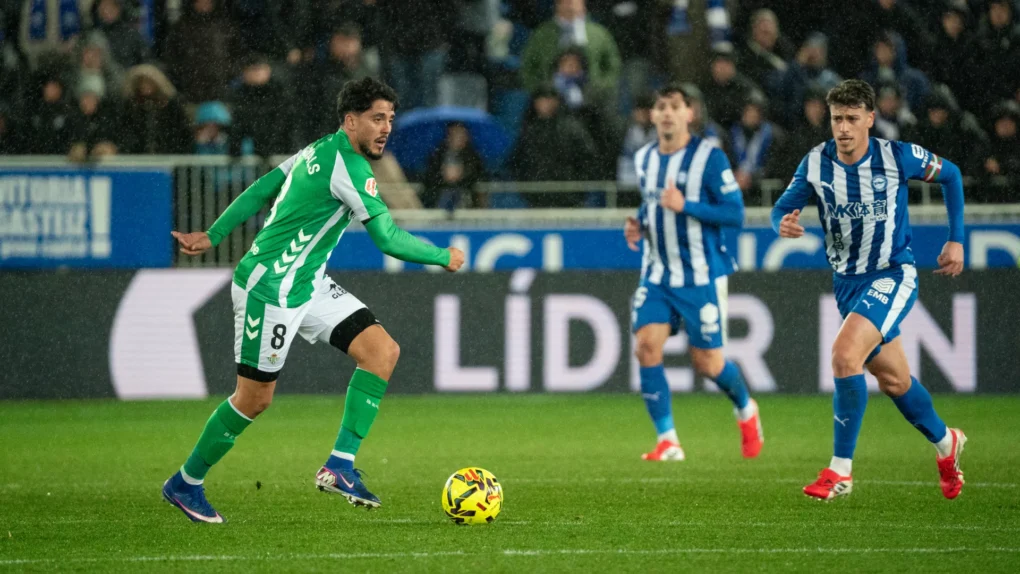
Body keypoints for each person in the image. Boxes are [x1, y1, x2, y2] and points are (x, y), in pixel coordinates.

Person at [162, 77, 466, 522]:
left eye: (390, 120)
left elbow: (265, 187)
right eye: (376, 119)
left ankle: (339, 466)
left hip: (307, 282)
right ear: (351, 121)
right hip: (270, 288)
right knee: (253, 399)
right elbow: (387, 238)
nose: (386, 129)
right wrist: (444, 256)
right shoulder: (350, 168)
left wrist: (214, 234)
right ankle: (185, 483)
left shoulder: (319, 149)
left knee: (381, 351)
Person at [771, 80, 966, 501]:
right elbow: (779, 208)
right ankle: (947, 443)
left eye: (851, 119)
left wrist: (956, 239)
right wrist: (781, 223)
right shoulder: (815, 164)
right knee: (895, 382)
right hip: (846, 283)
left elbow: (950, 175)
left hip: (892, 273)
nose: (842, 128)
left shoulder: (897, 156)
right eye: (837, 118)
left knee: (844, 357)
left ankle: (840, 471)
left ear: (870, 120)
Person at [623, 82, 763, 462]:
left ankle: (746, 409)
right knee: (646, 346)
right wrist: (638, 224)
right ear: (652, 115)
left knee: (708, 364)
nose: (667, 113)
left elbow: (735, 214)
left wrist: (687, 205)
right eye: (661, 106)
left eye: (674, 106)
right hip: (656, 274)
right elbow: (652, 206)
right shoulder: (645, 158)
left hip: (700, 276)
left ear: (690, 113)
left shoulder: (710, 158)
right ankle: (668, 440)